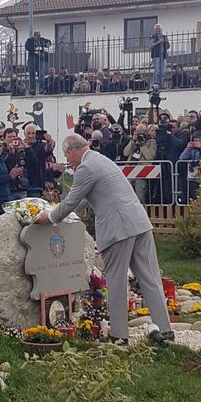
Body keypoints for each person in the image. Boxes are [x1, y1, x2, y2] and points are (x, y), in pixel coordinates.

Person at [35, 134, 174, 344]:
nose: (68, 161)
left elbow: (72, 201)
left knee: (116, 282)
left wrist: (50, 216)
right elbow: (83, 200)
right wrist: (67, 213)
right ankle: (165, 330)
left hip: (118, 229)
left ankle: (119, 335)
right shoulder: (100, 160)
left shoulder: (85, 168)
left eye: (67, 156)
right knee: (150, 278)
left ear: (73, 151)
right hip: (138, 222)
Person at [150, 24, 170, 89]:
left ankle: (162, 84)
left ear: (161, 29)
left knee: (163, 71)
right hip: (156, 56)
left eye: (159, 28)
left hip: (163, 56)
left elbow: (168, 47)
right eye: (156, 29)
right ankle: (156, 84)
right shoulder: (153, 37)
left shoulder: (164, 37)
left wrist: (167, 42)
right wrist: (158, 42)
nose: (158, 30)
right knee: (157, 71)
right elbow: (151, 46)